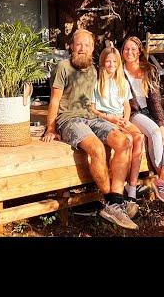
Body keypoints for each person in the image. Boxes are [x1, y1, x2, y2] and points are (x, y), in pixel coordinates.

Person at [41, 29, 138, 230]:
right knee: (97, 148)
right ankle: (113, 203)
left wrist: (116, 117)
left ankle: (116, 200)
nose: (82, 48)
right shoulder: (63, 67)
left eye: (87, 45)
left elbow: (112, 82)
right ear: (71, 46)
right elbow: (54, 100)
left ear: (93, 48)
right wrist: (51, 127)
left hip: (92, 118)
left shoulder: (95, 70)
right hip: (69, 120)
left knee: (125, 141)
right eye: (79, 44)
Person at [121, 36, 164, 205]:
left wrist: (162, 123)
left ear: (140, 51)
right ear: (122, 51)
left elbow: (155, 100)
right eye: (126, 49)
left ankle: (162, 180)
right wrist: (159, 127)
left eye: (133, 49)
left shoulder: (150, 69)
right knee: (155, 133)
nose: (130, 52)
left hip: (152, 111)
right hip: (134, 113)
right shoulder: (119, 70)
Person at [88, 45, 150, 204]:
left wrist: (126, 119)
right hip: (105, 119)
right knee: (127, 139)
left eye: (114, 62)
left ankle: (132, 186)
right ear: (102, 63)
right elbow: (93, 109)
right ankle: (119, 185)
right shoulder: (97, 82)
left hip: (121, 118)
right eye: (108, 61)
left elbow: (127, 105)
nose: (111, 65)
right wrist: (109, 118)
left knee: (138, 137)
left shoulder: (121, 81)